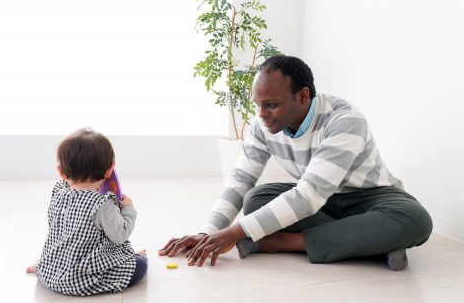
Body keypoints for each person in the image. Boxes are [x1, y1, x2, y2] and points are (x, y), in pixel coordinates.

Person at [159, 55, 432, 271]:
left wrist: (235, 232)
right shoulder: (263, 125)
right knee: (256, 199)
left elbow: (308, 196)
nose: (262, 115)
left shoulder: (345, 119)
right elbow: (241, 180)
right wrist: (208, 232)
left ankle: (283, 242)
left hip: (370, 198)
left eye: (271, 105)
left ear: (302, 96)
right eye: (258, 105)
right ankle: (375, 244)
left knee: (416, 220)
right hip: (322, 204)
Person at [26, 128, 147, 295]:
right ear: (110, 170)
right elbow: (120, 235)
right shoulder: (103, 203)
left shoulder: (58, 192)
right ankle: (136, 257)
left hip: (51, 273)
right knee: (140, 266)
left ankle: (45, 264)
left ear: (61, 172)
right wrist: (128, 209)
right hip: (80, 280)